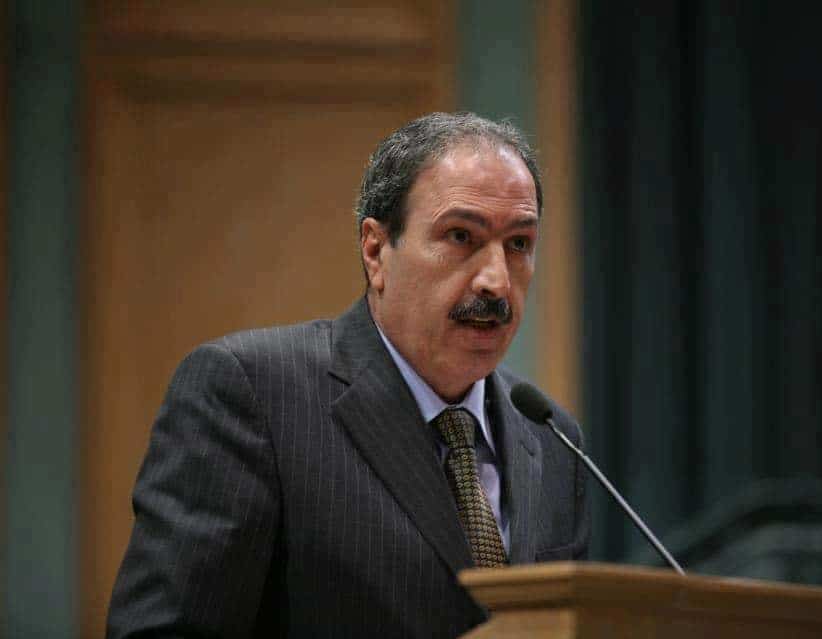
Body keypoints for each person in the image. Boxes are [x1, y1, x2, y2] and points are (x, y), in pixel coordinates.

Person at [106, 112, 588, 638]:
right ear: (376, 250)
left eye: (518, 244)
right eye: (460, 236)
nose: (496, 281)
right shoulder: (251, 395)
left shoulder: (553, 438)